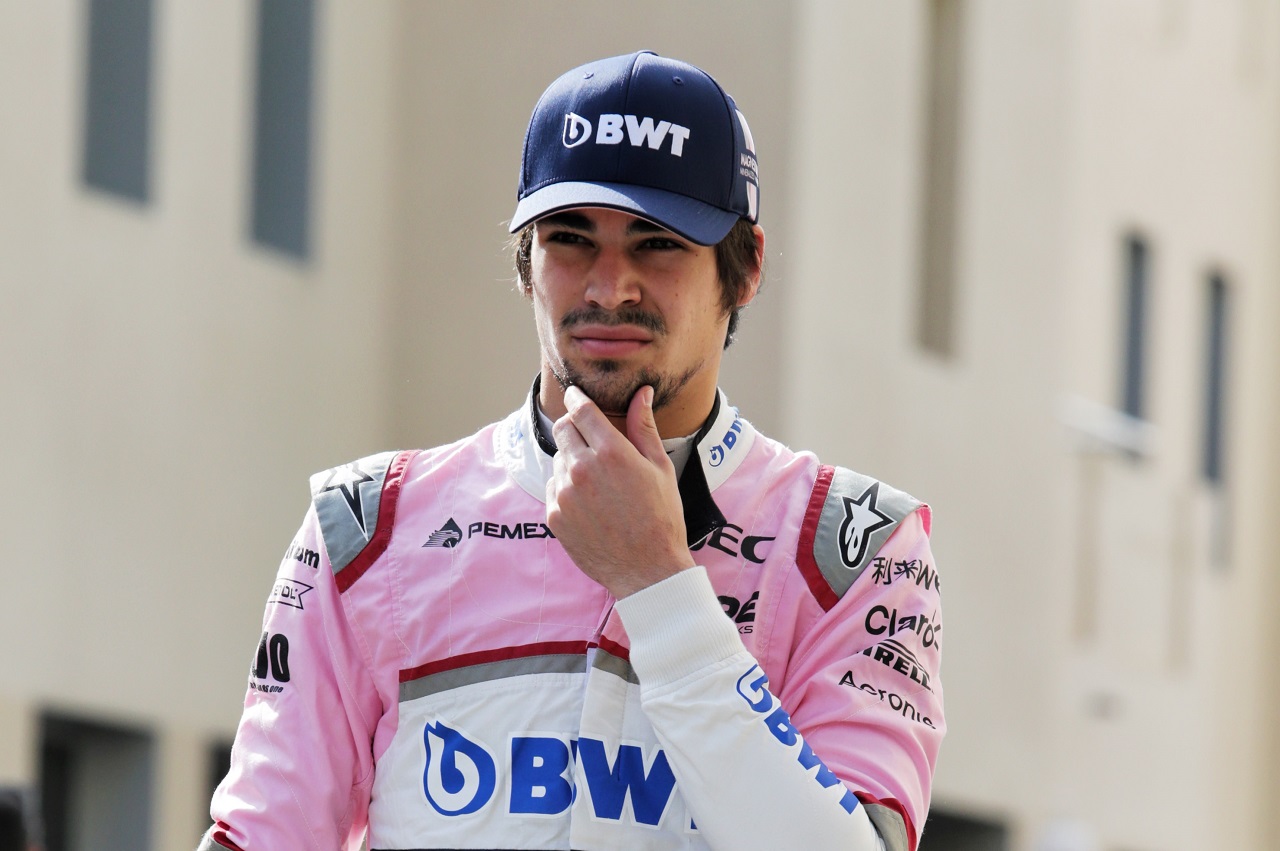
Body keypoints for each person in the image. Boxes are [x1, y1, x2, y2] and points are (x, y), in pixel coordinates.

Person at [200, 50, 944, 851]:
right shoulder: (367, 528)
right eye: (570, 237)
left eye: (657, 241)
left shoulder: (853, 548)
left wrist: (661, 587)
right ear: (526, 263)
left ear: (747, 267)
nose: (608, 286)